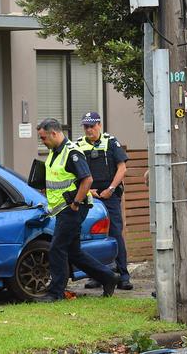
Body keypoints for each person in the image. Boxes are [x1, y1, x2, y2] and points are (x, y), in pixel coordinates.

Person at [36, 118, 120, 302]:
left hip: (72, 209)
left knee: (56, 249)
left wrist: (75, 203)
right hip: (62, 209)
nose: (42, 141)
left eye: (43, 138)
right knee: (74, 252)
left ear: (54, 133)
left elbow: (87, 179)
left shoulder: (72, 152)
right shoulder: (54, 152)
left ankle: (55, 293)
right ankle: (109, 277)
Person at [76, 112, 133, 291]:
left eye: (92, 126)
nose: (89, 129)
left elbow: (122, 168)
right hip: (90, 196)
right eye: (86, 126)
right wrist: (87, 191)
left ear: (99, 125)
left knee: (116, 233)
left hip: (110, 196)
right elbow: (74, 171)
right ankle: (97, 276)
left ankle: (123, 275)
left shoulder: (110, 141)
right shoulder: (78, 144)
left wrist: (111, 189)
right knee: (93, 236)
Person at [144, 160, 187, 298]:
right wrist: (150, 171)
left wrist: (183, 205)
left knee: (181, 250)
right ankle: (164, 289)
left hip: (181, 214)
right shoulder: (160, 160)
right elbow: (147, 181)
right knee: (165, 249)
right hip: (164, 211)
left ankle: (182, 290)